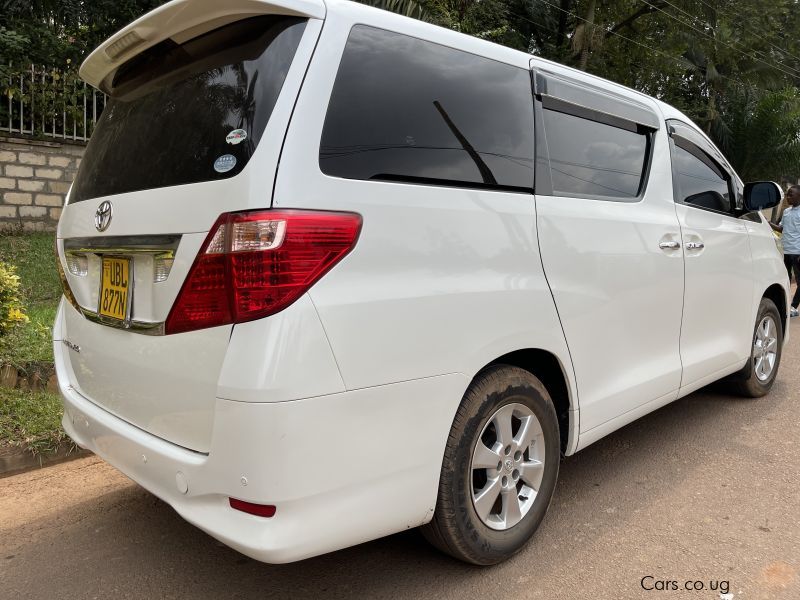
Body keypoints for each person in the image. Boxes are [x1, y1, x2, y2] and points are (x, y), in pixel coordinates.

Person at [770, 184, 800, 316]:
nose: (788, 197)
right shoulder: (786, 212)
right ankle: (786, 305)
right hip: (786, 252)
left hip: (797, 252)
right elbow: (781, 229)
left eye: (791, 194)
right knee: (785, 279)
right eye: (787, 194)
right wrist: (767, 223)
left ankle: (794, 307)